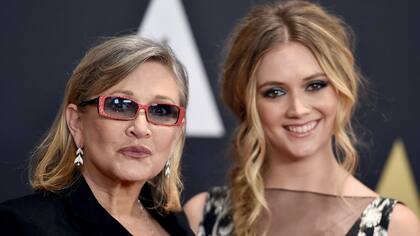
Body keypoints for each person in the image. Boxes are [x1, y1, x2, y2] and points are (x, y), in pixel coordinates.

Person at [184, 1, 420, 235]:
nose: (298, 109)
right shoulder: (202, 216)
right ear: (246, 101)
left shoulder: (394, 226)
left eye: (315, 85)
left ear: (342, 86)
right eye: (274, 92)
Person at [0, 35, 194, 235]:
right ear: (76, 123)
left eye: (161, 110)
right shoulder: (20, 225)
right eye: (119, 105)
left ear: (178, 131)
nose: (141, 127)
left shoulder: (177, 222)